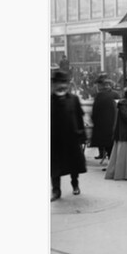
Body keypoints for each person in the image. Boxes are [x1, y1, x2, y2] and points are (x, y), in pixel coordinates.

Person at [50, 69, 87, 201]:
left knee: (74, 164)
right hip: (54, 139)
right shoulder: (49, 100)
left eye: (63, 82)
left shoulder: (73, 99)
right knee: (54, 166)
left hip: (71, 137)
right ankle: (56, 190)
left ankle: (75, 184)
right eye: (57, 82)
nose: (60, 85)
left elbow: (79, 117)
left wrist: (82, 135)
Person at [89, 74, 118, 165]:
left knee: (105, 142)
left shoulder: (99, 96)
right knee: (110, 143)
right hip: (112, 123)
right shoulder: (114, 94)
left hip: (103, 124)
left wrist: (94, 120)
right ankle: (109, 158)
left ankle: (108, 158)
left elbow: (95, 110)